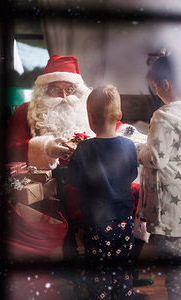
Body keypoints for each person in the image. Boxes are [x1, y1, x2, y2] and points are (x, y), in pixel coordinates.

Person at [6, 55, 140, 258]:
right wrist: (47, 148)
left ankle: (120, 258)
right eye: (55, 89)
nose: (64, 96)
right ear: (45, 90)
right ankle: (115, 263)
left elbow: (116, 127)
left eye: (69, 89)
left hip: (90, 179)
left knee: (137, 191)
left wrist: (137, 140)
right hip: (55, 183)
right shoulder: (27, 112)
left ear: (77, 90)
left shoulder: (86, 108)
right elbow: (11, 148)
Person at [136, 52, 181, 300]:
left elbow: (156, 158)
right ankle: (180, 290)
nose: (156, 92)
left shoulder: (163, 116)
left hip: (167, 192)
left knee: (170, 254)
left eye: (156, 87)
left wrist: (137, 149)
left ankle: (177, 294)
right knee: (176, 246)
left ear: (166, 85)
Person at [67, 85, 137, 299]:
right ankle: (124, 295)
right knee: (122, 267)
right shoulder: (129, 146)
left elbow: (73, 179)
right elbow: (132, 175)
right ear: (120, 116)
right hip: (124, 218)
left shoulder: (84, 149)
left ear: (91, 118)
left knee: (99, 271)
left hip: (97, 221)